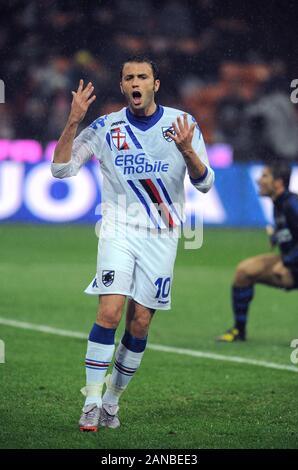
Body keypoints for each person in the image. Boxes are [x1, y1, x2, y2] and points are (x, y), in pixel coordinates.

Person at [51, 56, 214, 431]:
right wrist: (74, 120)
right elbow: (61, 170)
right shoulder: (106, 127)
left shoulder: (183, 124)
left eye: (142, 76)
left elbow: (205, 184)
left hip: (162, 236)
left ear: (156, 83)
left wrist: (188, 150)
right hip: (117, 230)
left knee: (139, 323)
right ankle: (91, 400)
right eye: (128, 77)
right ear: (122, 86)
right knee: (109, 312)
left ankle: (111, 402)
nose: (135, 82)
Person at [217, 162, 298, 342]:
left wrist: (287, 262)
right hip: (292, 263)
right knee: (244, 271)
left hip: (294, 264)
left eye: (264, 176)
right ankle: (239, 331)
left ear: (277, 182)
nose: (258, 179)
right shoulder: (280, 203)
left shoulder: (292, 204)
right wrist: (277, 236)